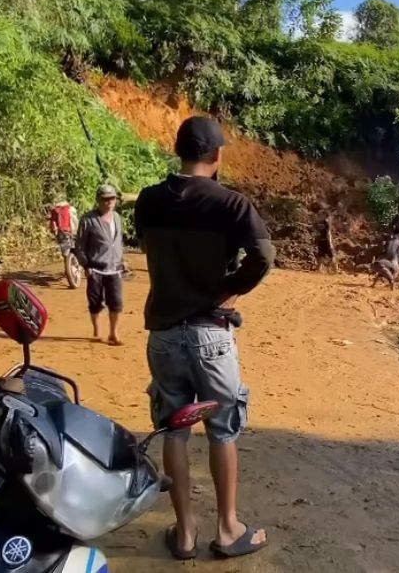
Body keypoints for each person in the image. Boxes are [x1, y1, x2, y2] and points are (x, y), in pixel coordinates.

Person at [135, 117, 275, 560]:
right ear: (216, 156)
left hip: (162, 334)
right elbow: (264, 256)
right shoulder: (231, 203)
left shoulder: (148, 200)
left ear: (179, 152)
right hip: (210, 334)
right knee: (222, 429)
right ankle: (228, 528)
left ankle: (184, 532)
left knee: (175, 430)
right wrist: (228, 288)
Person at [75, 184, 124, 345]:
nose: (109, 202)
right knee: (95, 302)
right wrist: (86, 266)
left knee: (116, 302)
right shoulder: (88, 220)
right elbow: (80, 246)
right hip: (96, 268)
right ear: (98, 200)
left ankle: (113, 333)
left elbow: (118, 241)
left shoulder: (117, 217)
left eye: (112, 198)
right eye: (105, 199)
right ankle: (97, 331)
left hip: (114, 268)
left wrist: (121, 259)